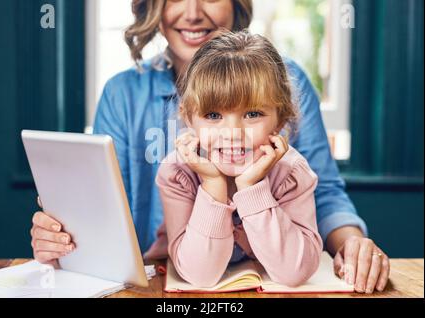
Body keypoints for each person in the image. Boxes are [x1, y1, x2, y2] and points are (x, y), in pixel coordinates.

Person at [30, 0, 389, 293]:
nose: (192, 12)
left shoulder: (286, 81)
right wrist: (66, 236)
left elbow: (322, 192)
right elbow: (101, 208)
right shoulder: (123, 95)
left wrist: (351, 243)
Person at [156, 31, 323, 287]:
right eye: (213, 116)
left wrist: (251, 187)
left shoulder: (291, 173)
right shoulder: (177, 173)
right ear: (188, 118)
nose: (233, 133)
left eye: (252, 114)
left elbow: (295, 272)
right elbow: (201, 276)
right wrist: (213, 183)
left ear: (279, 120)